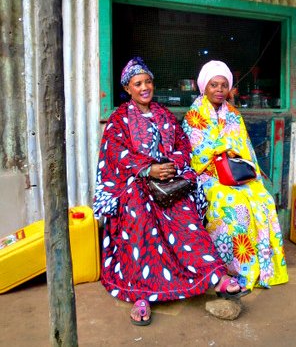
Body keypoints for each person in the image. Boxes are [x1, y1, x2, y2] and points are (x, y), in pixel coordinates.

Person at [93, 57, 249, 326]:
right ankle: (141, 293)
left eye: (148, 82)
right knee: (139, 210)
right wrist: (147, 169)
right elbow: (115, 154)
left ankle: (215, 276)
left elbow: (183, 147)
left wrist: (171, 165)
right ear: (128, 88)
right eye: (138, 83)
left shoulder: (165, 114)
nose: (145, 87)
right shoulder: (119, 119)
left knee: (184, 210)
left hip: (169, 182)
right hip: (136, 184)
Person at [182, 60, 289, 293]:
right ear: (204, 87)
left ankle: (264, 268)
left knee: (262, 199)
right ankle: (234, 269)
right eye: (214, 85)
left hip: (235, 174)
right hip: (209, 176)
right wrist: (224, 145)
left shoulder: (234, 114)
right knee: (232, 204)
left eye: (223, 85)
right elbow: (196, 153)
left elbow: (245, 148)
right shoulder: (194, 116)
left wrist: (230, 147)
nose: (219, 90)